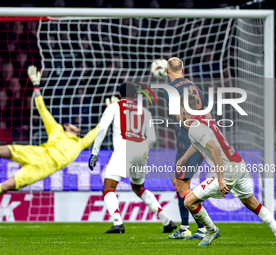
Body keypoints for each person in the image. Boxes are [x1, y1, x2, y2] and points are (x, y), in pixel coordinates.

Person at [0, 65, 98, 200]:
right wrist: (36, 86)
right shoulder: (57, 129)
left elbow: (98, 130)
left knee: (6, 186)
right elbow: (42, 109)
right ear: (67, 128)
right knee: (0, 150)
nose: (74, 126)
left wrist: (110, 112)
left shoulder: (81, 143)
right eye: (71, 125)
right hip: (35, 153)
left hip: (40, 170)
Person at [178, 93, 276, 246]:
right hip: (239, 164)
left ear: (183, 109)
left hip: (228, 171)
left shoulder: (194, 128)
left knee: (189, 202)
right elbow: (200, 141)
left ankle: (211, 230)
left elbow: (215, 150)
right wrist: (184, 158)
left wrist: (221, 178)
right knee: (252, 203)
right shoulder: (205, 115)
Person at [89, 82, 176, 234]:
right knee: (138, 187)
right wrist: (143, 150)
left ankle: (118, 223)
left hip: (124, 146)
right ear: (135, 96)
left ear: (119, 94)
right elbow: (153, 138)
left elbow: (102, 128)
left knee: (108, 187)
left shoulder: (114, 107)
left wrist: (95, 152)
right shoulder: (145, 111)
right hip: (141, 148)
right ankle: (167, 221)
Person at [163, 57, 208, 239]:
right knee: (177, 181)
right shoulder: (194, 87)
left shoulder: (171, 90)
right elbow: (207, 112)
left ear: (167, 71)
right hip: (202, 138)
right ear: (183, 69)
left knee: (182, 183)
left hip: (188, 141)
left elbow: (179, 117)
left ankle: (204, 228)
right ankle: (184, 227)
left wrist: (193, 131)